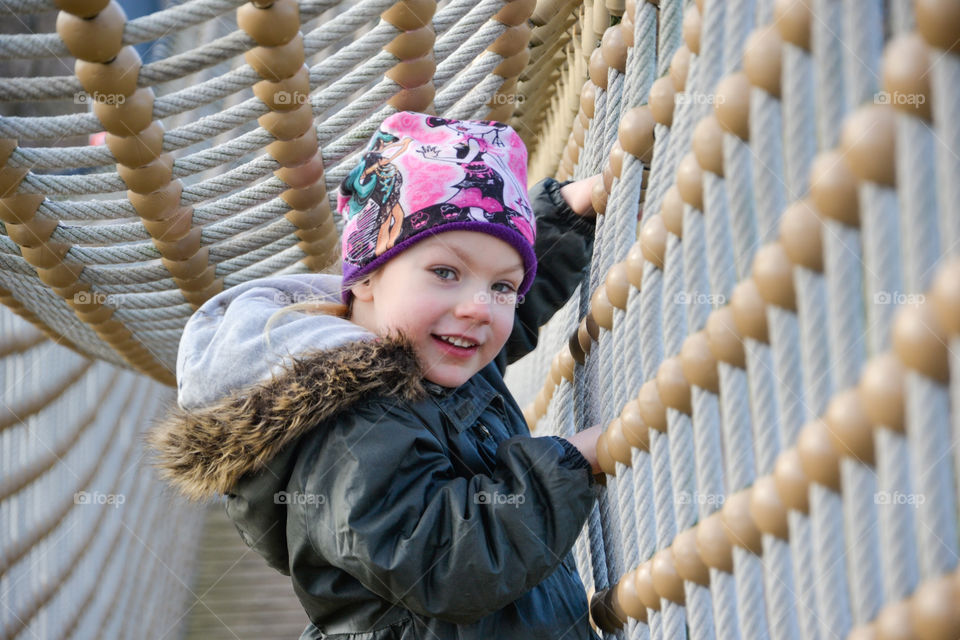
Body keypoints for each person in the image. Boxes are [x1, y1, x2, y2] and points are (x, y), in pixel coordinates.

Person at [149, 111, 604, 640]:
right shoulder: (350, 426)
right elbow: (448, 562)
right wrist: (573, 464)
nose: (480, 308)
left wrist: (563, 220)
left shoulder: (430, 354)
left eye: (503, 286)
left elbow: (495, 337)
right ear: (365, 277)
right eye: (445, 273)